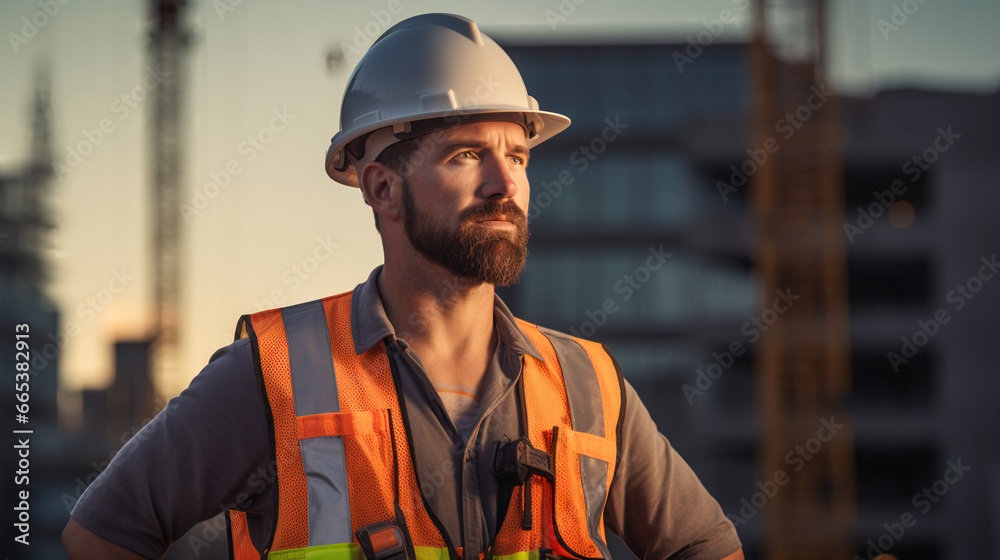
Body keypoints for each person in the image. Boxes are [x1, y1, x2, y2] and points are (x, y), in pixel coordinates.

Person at [63, 13, 743, 560]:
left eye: (517, 156)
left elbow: (706, 546)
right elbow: (101, 536)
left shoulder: (588, 387)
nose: (506, 185)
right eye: (467, 155)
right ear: (382, 188)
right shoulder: (273, 376)